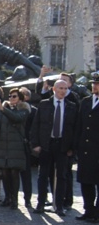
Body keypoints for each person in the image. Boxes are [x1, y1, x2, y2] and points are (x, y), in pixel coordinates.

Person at [31, 80, 77, 216]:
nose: (63, 91)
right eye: (61, 88)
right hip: (46, 143)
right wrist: (36, 144)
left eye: (65, 88)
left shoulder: (72, 106)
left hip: (63, 145)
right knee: (43, 175)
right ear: (54, 89)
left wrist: (72, 148)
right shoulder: (44, 104)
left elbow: (74, 128)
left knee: (62, 176)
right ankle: (40, 203)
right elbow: (36, 125)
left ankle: (59, 205)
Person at [0, 88, 30, 210]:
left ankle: (14, 199)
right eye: (10, 96)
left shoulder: (24, 109)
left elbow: (17, 118)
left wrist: (3, 109)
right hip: (4, 146)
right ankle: (7, 197)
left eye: (14, 96)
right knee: (5, 173)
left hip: (16, 147)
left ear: (20, 98)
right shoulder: (4, 110)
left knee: (14, 173)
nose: (11, 98)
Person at [75, 73, 99, 222]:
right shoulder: (86, 102)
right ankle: (88, 210)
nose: (94, 86)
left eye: (97, 84)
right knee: (86, 181)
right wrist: (77, 145)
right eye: (93, 84)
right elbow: (80, 125)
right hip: (86, 150)